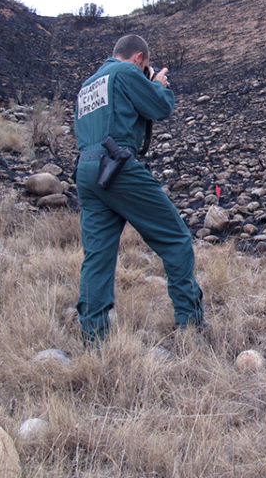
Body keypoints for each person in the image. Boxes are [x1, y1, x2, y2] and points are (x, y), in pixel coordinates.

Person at [73, 34, 204, 344]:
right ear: (139, 58)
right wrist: (158, 84)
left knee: (97, 258)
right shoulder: (126, 71)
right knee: (176, 239)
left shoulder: (88, 85)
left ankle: (93, 340)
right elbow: (160, 107)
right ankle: (190, 326)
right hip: (117, 166)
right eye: (145, 65)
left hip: (87, 174)